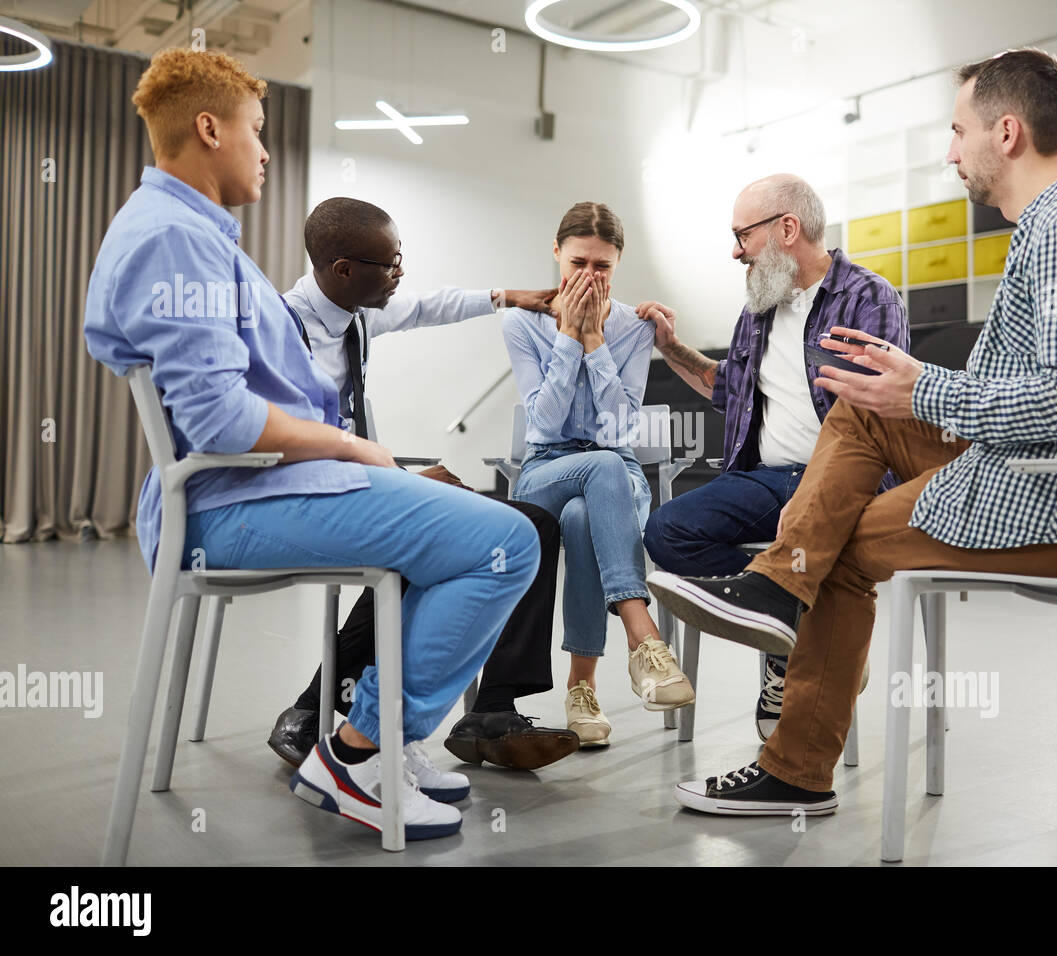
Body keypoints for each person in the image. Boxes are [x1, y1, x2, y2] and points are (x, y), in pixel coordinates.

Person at [649, 48, 1057, 815]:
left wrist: (928, 387)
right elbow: (1049, 395)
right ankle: (775, 588)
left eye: (959, 129)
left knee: (842, 544)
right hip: (1036, 469)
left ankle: (794, 765)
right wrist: (907, 387)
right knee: (864, 404)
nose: (950, 149)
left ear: (1006, 132)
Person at [84, 48, 539, 840]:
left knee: (466, 535)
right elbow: (222, 419)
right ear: (207, 128)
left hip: (256, 487)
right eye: (256, 131)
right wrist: (352, 446)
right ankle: (359, 753)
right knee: (506, 542)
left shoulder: (194, 233)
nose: (265, 150)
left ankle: (378, 741)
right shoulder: (173, 240)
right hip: (231, 501)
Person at [264, 197, 578, 773]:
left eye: (400, 258)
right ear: (343, 269)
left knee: (534, 523)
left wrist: (510, 297)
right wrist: (399, 478)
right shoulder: (281, 330)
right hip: (310, 500)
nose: (399, 273)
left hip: (363, 486)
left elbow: (428, 308)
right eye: (389, 264)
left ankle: (488, 705)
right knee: (457, 541)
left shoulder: (353, 312)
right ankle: (347, 715)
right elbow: (294, 445)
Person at [637, 173, 908, 741]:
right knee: (667, 529)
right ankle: (793, 624)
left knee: (811, 525)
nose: (736, 251)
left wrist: (815, 498)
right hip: (766, 479)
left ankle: (786, 626)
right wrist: (670, 348)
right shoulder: (758, 311)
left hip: (848, 479)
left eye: (743, 235)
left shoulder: (868, 297)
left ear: (788, 229)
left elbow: (873, 414)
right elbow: (725, 388)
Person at [501, 202, 695, 748]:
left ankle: (580, 691)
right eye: (578, 262)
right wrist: (568, 335)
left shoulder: (635, 327)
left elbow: (619, 429)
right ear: (556, 254)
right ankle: (644, 638)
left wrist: (596, 342)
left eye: (603, 267)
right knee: (597, 471)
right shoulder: (521, 321)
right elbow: (542, 423)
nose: (589, 277)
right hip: (545, 471)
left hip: (616, 471)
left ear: (618, 265)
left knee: (591, 509)